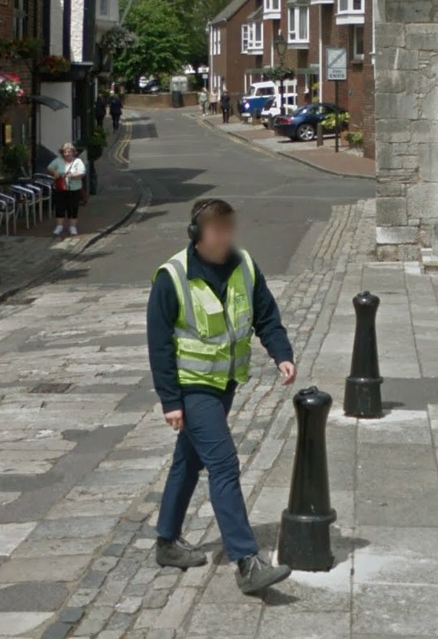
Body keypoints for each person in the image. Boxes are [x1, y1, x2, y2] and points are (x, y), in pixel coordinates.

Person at [147, 198, 295, 594]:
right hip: (193, 387)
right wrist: (170, 401)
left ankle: (166, 541)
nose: (224, 238)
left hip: (225, 382)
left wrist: (282, 354)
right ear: (196, 235)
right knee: (224, 465)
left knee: (188, 460)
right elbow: (158, 344)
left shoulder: (244, 265)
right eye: (216, 231)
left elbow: (266, 314)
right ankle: (247, 561)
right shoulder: (172, 276)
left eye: (228, 230)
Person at [47, 143, 85, 236]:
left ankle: (72, 227)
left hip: (74, 189)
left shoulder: (78, 161)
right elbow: (49, 167)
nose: (67, 154)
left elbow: (82, 172)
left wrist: (72, 175)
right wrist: (55, 172)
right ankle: (59, 226)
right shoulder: (58, 161)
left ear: (73, 152)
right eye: (65, 152)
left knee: (73, 208)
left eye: (69, 151)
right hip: (60, 188)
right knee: (59, 207)